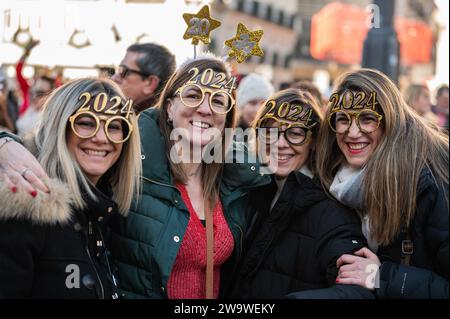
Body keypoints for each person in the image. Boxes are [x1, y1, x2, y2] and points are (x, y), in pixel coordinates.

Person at [109, 55, 269, 299]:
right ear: (170, 107)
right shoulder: (129, 163)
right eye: (193, 96)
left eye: (217, 101)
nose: (205, 109)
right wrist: (25, 154)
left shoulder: (234, 181)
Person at [0, 78, 141, 298]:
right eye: (86, 122)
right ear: (59, 127)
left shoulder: (105, 211)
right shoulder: (28, 204)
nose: (101, 138)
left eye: (114, 126)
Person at [225, 89, 372, 299]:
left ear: (313, 142)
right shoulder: (250, 193)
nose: (281, 143)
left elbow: (360, 290)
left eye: (295, 133)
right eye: (270, 132)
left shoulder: (331, 210)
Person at [315, 69, 448, 299]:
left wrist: (382, 277)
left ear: (390, 120)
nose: (352, 132)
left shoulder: (433, 178)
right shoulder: (334, 177)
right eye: (344, 119)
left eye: (367, 119)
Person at [111, 43, 176, 113]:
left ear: (150, 83)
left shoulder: (143, 122)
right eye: (119, 69)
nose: (113, 78)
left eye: (124, 71)